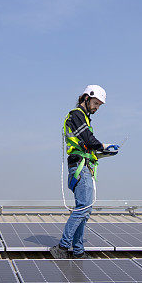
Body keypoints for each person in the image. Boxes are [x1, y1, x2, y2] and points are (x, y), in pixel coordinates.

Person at [50, 85, 119, 259]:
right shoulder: (77, 115)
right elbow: (88, 139)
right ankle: (62, 247)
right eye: (95, 103)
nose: (97, 107)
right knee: (83, 209)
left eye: (99, 105)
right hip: (80, 167)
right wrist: (103, 145)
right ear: (86, 98)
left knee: (85, 211)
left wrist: (104, 153)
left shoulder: (84, 118)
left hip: (83, 166)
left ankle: (78, 250)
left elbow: (86, 145)